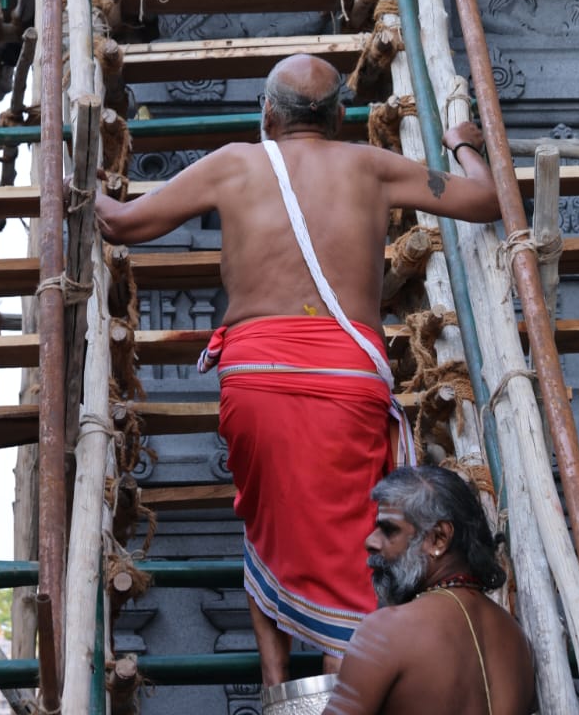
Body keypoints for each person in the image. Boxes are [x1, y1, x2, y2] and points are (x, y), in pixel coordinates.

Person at [95, 53, 500, 686]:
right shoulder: (370, 166)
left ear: (267, 115)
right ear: (339, 117)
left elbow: (119, 222)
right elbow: (486, 199)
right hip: (348, 384)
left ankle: (277, 682)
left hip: (255, 381)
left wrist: (76, 177)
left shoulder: (234, 163)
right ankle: (343, 685)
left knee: (267, 528)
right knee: (348, 561)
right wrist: (464, 144)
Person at [323, 464, 535, 715]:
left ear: (438, 539)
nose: (371, 542)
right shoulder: (516, 636)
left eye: (389, 530)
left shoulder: (388, 630)